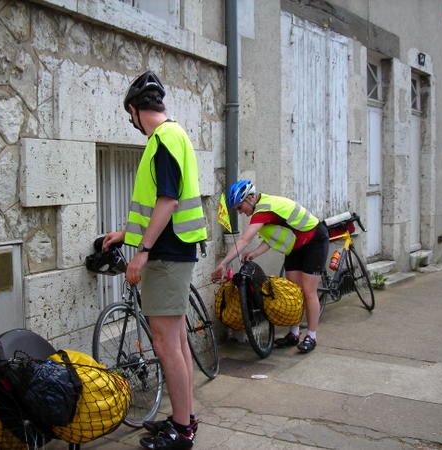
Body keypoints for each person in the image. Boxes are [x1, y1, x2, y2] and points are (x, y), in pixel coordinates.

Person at [103, 70, 206, 450]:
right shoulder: (175, 135)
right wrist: (125, 235)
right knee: (175, 342)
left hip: (165, 255)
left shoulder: (161, 139)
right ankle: (185, 419)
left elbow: (168, 201)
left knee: (166, 344)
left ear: (134, 110)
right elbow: (160, 204)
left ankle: (182, 430)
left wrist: (141, 252)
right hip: (175, 251)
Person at [210, 180, 328, 353]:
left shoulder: (263, 209)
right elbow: (274, 236)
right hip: (296, 246)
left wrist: (223, 263)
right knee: (294, 290)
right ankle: (294, 333)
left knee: (309, 291)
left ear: (250, 198)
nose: (241, 212)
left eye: (240, 208)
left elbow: (244, 239)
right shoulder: (263, 208)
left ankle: (311, 336)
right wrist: (255, 253)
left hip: (315, 241)